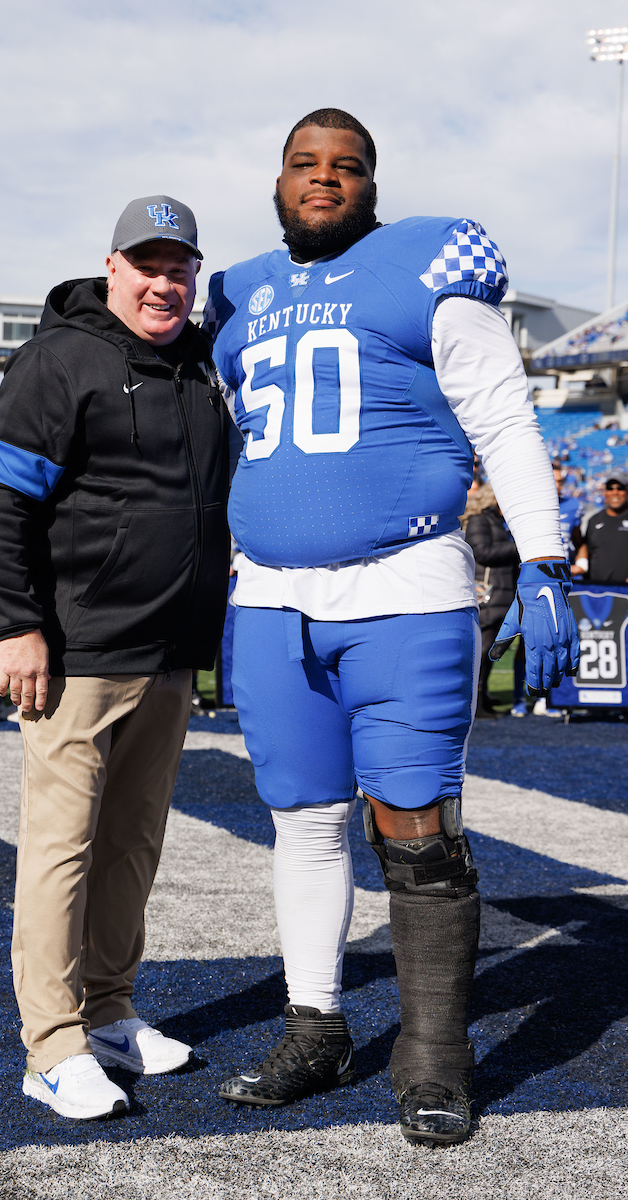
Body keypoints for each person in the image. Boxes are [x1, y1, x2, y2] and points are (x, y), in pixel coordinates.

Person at [204, 108, 578, 1146]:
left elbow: (502, 415)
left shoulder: (423, 269)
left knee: (413, 828)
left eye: (345, 167)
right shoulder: (232, 298)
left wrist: (543, 560)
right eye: (303, 164)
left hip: (403, 585)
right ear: (275, 179)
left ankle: (431, 1057)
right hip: (274, 596)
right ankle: (315, 1026)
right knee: (303, 822)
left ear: (372, 185)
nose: (322, 179)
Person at [0, 196, 230, 1121]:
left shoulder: (199, 365)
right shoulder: (59, 357)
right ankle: (51, 1044)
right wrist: (17, 625)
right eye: (148, 265)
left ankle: (110, 1012)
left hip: (167, 657)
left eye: (180, 268)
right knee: (60, 851)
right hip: (78, 653)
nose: (165, 284)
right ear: (111, 266)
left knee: (132, 847)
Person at [463, 484, 520, 719]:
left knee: (490, 650)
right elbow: (481, 552)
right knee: (483, 649)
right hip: (488, 594)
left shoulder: (495, 522)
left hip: (499, 594)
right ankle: (475, 702)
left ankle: (482, 695)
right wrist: (518, 547)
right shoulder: (479, 520)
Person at [572, 471, 628, 584]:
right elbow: (585, 547)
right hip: (596, 590)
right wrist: (580, 565)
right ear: (605, 492)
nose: (615, 492)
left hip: (624, 592)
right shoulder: (594, 520)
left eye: (620, 488)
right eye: (610, 488)